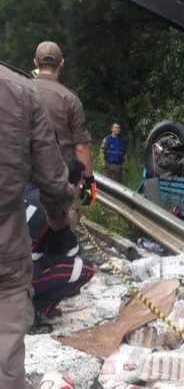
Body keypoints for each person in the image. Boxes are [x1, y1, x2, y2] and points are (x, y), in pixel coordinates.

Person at [0, 62, 73, 389]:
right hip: (5, 244)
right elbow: (54, 182)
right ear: (60, 64)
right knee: (5, 350)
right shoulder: (20, 90)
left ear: (35, 62)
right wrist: (59, 225)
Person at [33, 41, 96, 230]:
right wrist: (89, 181)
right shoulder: (70, 99)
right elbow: (81, 147)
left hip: (25, 174)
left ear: (35, 63)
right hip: (63, 178)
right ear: (61, 64)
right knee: (64, 228)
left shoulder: (20, 90)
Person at [26, 159, 95, 320]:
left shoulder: (27, 189)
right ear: (73, 186)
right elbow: (72, 252)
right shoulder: (56, 208)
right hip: (17, 276)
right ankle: (35, 312)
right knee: (85, 269)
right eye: (79, 184)